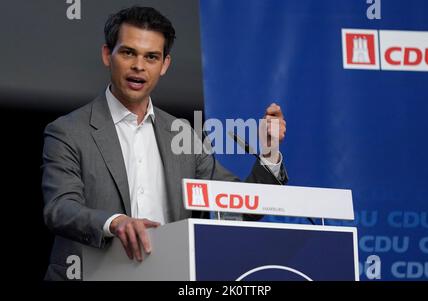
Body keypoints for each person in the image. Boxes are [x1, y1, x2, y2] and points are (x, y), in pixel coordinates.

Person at [41, 6, 288, 280]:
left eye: (151, 57)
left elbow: (239, 208)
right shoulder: (68, 131)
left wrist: (268, 152)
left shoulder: (183, 135)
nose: (139, 65)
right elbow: (60, 209)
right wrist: (115, 223)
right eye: (128, 52)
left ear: (164, 65)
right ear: (106, 55)